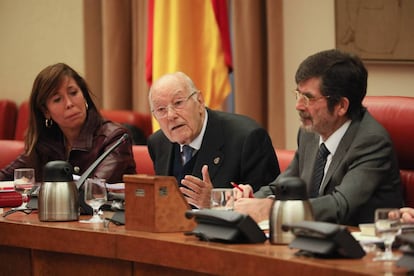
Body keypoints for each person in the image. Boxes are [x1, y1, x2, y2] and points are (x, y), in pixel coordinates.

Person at [234, 49, 403, 226]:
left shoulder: (371, 142)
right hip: (314, 239)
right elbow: (281, 186)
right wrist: (249, 200)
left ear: (341, 106)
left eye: (308, 98)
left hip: (362, 245)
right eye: (298, 94)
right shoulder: (309, 134)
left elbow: (340, 205)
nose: (298, 106)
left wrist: (271, 209)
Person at [147, 72, 280, 209]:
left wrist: (215, 203)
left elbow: (264, 207)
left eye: (178, 103)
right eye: (161, 109)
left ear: (199, 101)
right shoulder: (158, 143)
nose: (171, 115)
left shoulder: (248, 138)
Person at [0, 63, 136, 183]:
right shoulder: (45, 144)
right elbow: (5, 177)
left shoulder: (114, 138)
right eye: (57, 99)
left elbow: (93, 192)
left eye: (73, 93)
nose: (69, 104)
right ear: (45, 111)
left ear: (84, 96)